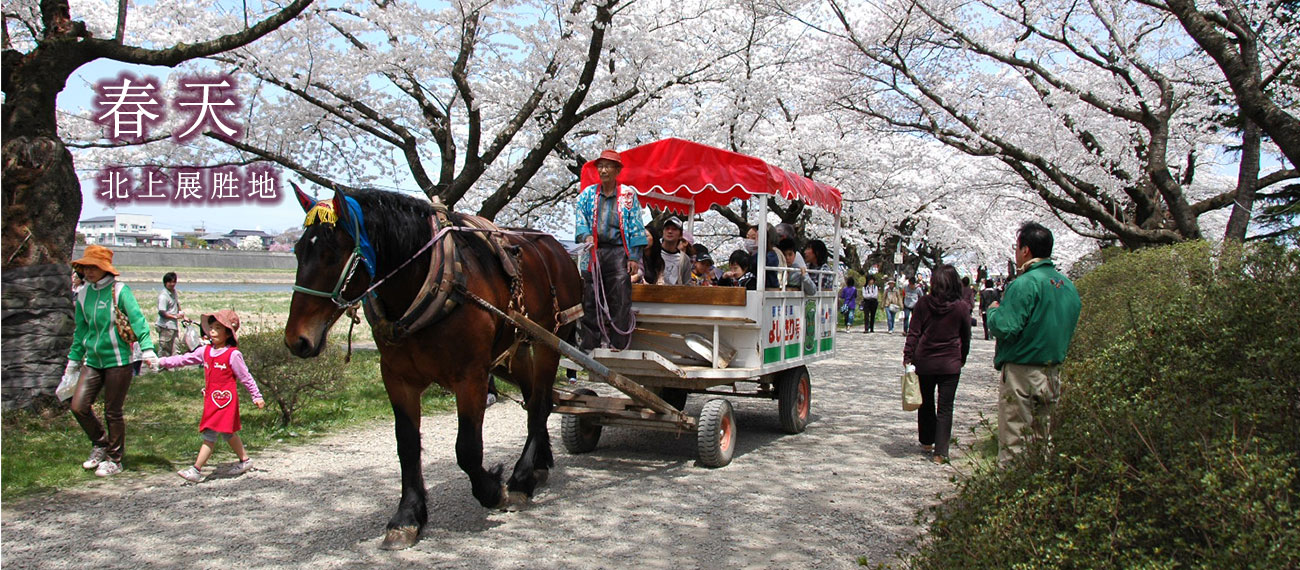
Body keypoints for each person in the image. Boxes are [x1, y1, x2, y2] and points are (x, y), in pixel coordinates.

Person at [986, 222, 1082, 465]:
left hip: (1022, 370)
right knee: (1041, 437)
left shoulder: (1025, 283)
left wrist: (993, 312)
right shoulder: (1067, 286)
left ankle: (1010, 494)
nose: (1016, 253)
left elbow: (1005, 326)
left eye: (1016, 248)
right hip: (1052, 372)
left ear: (1026, 250)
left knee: (1015, 439)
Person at [65, 245, 158, 477]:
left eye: (94, 266)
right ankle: (99, 443)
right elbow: (81, 331)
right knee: (78, 406)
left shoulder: (120, 291)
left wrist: (147, 350)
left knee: (112, 411)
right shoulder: (83, 294)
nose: (89, 271)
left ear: (105, 268)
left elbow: (138, 321)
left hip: (119, 361)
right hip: (93, 360)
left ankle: (115, 459)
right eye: (86, 267)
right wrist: (73, 362)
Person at [157, 310, 266, 483]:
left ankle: (196, 470)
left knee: (210, 434)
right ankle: (245, 460)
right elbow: (185, 359)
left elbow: (246, 377)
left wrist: (256, 396)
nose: (212, 332)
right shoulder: (205, 352)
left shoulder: (233, 355)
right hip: (211, 400)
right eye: (211, 328)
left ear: (228, 333)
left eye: (217, 328)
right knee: (227, 433)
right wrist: (162, 361)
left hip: (226, 401)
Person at [575, 149, 648, 351]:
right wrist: (585, 235)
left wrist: (633, 256)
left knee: (620, 297)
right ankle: (590, 343)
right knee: (590, 297)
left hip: (618, 251)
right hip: (593, 251)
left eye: (608, 166)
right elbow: (580, 219)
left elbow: (636, 225)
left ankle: (618, 343)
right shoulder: (587, 194)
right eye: (600, 166)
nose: (603, 170)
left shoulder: (628, 194)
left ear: (617, 170)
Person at [903, 265, 972, 464]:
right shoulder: (961, 307)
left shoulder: (924, 303)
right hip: (950, 363)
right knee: (945, 407)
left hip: (925, 361)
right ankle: (941, 453)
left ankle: (926, 440)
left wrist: (908, 356)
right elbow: (965, 337)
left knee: (926, 403)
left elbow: (914, 332)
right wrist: (962, 357)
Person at [653, 216, 693, 285]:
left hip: (675, 294)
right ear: (663, 232)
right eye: (667, 228)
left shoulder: (684, 259)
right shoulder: (653, 252)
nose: (670, 231)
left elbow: (687, 284)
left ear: (680, 235)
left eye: (674, 229)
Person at [156, 272, 185, 357]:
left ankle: (176, 368)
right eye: (170, 282)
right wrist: (175, 316)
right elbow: (162, 313)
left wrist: (183, 315)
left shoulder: (174, 292)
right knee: (165, 349)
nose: (172, 284)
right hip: (166, 327)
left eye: (174, 282)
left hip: (173, 326)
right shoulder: (163, 296)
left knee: (176, 347)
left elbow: (176, 303)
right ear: (165, 283)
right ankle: (162, 368)